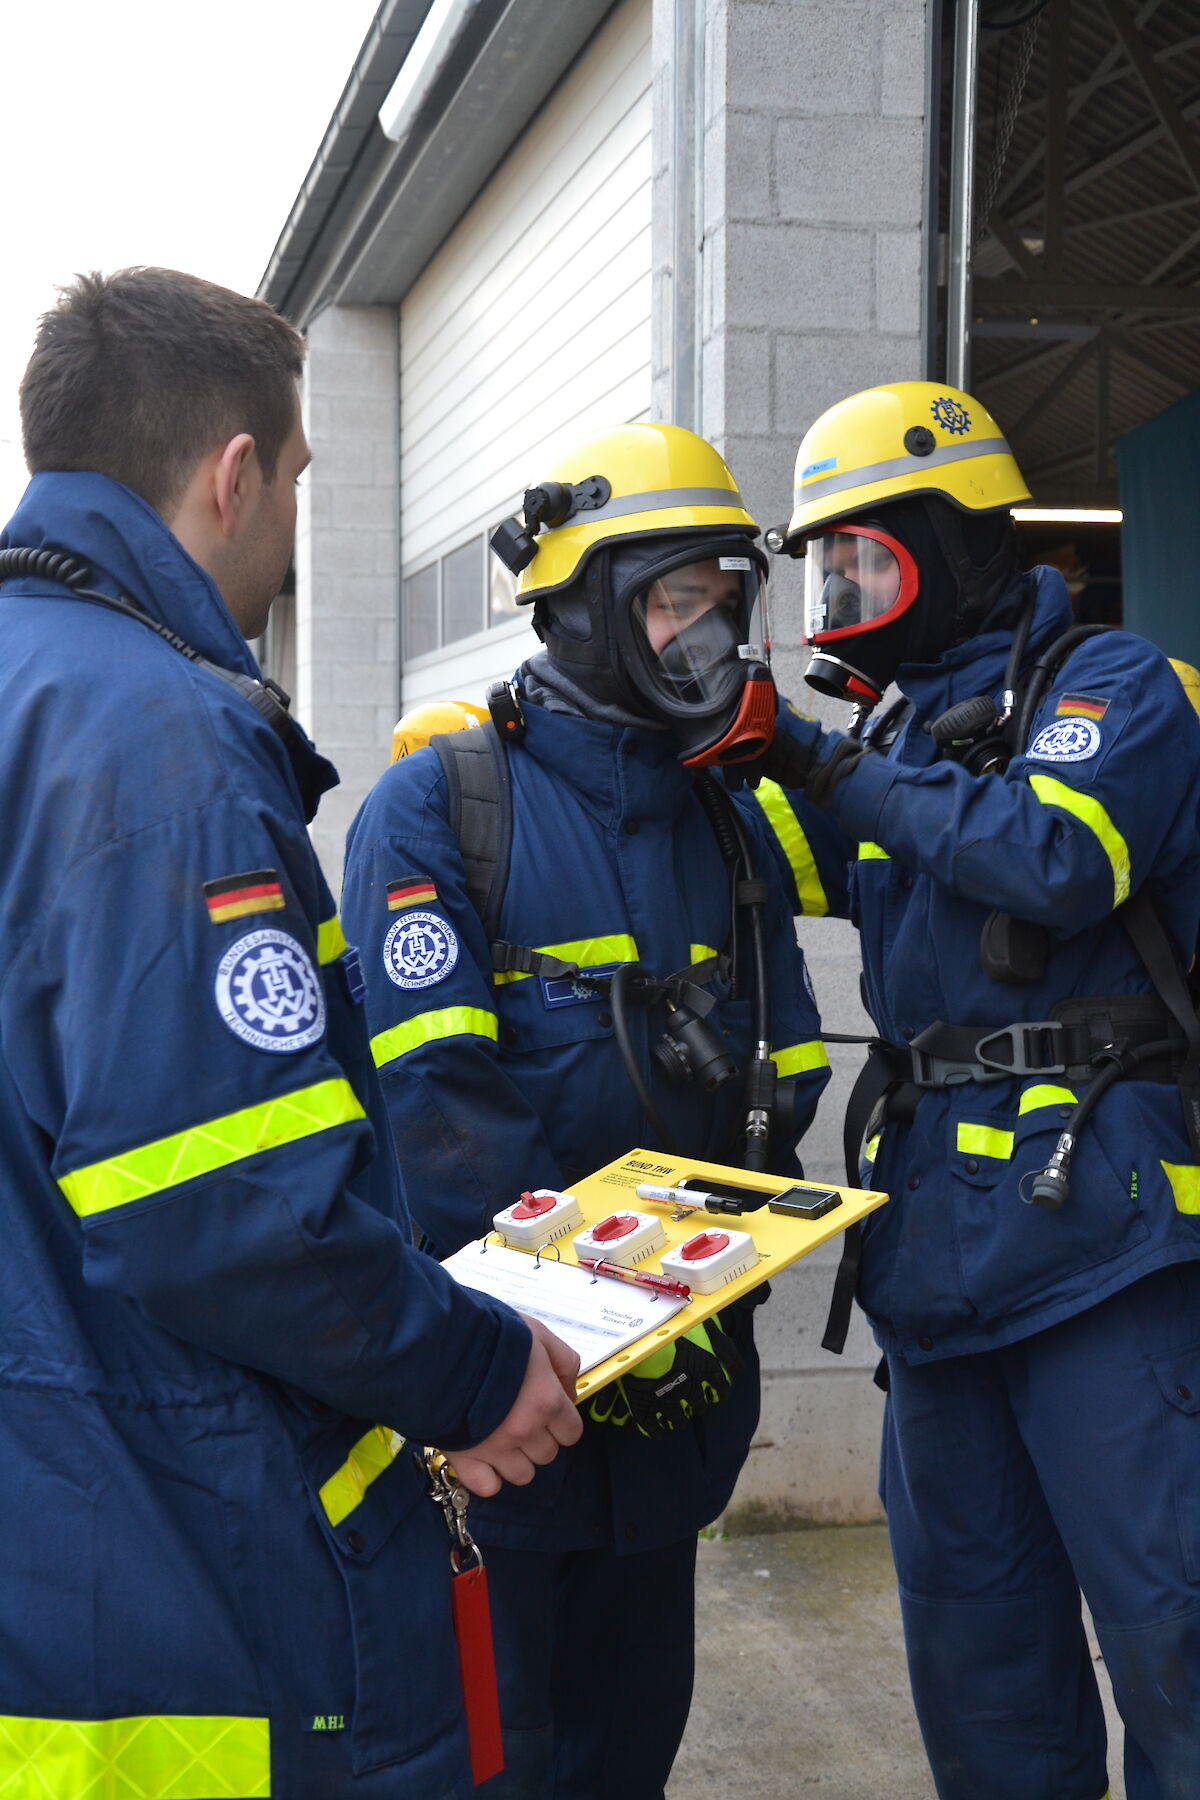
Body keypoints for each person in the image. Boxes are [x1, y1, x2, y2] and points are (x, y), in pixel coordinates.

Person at [0, 266, 583, 1800]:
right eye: (297, 484)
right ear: (233, 471)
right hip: (167, 1566)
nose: (286, 538)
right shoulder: (161, 737)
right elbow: (222, 1209)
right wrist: (468, 1372)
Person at [340, 421, 831, 1799]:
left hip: (676, 1406)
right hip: (504, 1419)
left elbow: (778, 1069)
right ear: (581, 605)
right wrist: (577, 1327)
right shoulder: (440, 806)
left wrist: (700, 1281)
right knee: (502, 1758)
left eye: (726, 600)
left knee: (627, 1753)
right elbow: (438, 1118)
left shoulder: (724, 818)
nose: (712, 636)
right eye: (679, 600)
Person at [751, 379, 1200, 1800]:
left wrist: (828, 762)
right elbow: (759, 863)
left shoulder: (1116, 687)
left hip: (1103, 1250)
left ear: (952, 543)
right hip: (936, 1263)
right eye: (825, 569)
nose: (842, 598)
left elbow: (1053, 859)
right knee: (978, 1658)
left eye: (867, 561)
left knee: (1173, 1635)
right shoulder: (882, 746)